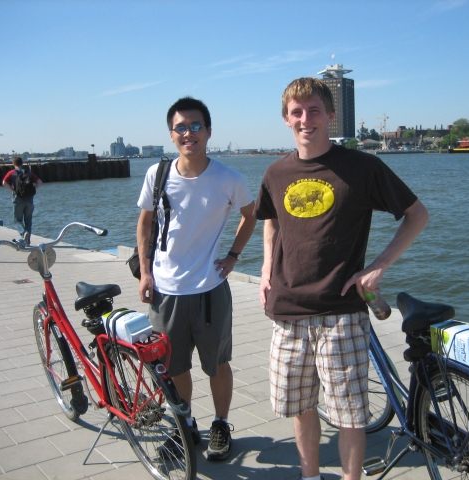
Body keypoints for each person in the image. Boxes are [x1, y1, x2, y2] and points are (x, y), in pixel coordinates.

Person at [255, 78, 429, 480]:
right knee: (300, 407)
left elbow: (416, 214)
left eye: (314, 110)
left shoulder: (362, 167)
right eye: (296, 112)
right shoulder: (276, 172)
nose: (305, 119)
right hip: (288, 311)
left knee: (350, 415)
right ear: (286, 119)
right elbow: (270, 220)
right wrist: (265, 269)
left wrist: (379, 265)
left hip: (343, 312)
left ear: (331, 116)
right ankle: (310, 475)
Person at [136, 96, 257, 461]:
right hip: (164, 291)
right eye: (181, 128)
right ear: (171, 135)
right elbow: (144, 222)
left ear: (208, 132)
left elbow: (251, 216)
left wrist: (233, 256)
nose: (188, 134)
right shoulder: (156, 175)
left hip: (209, 290)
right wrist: (145, 271)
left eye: (195, 127)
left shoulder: (228, 178)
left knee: (217, 363)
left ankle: (220, 424)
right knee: (173, 368)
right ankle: (185, 426)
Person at [2, 156, 42, 245]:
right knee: (28, 220)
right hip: (29, 200)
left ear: (13, 164)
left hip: (18, 199)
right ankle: (27, 242)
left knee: (17, 220)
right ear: (22, 163)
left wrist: (13, 190)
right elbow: (40, 182)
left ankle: (24, 234)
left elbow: (4, 183)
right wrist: (34, 189)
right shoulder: (29, 173)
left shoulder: (12, 173)